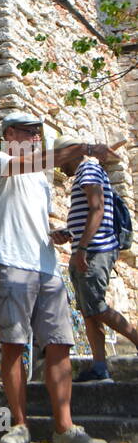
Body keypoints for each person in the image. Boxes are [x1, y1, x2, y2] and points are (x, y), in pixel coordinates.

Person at [0, 112, 106, 443]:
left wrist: (57, 235)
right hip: (10, 262)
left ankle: (64, 429)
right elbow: (28, 164)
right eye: (29, 131)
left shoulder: (40, 179)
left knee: (59, 344)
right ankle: (19, 425)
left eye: (39, 132)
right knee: (14, 345)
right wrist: (75, 150)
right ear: (9, 134)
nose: (36, 137)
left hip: (46, 266)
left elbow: (30, 217)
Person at [52, 136, 138, 382]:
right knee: (89, 310)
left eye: (60, 158)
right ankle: (99, 367)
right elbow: (90, 213)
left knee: (96, 306)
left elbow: (97, 209)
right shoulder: (85, 173)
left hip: (94, 251)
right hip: (88, 248)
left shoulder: (88, 168)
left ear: (70, 154)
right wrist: (68, 235)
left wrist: (82, 249)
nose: (59, 166)